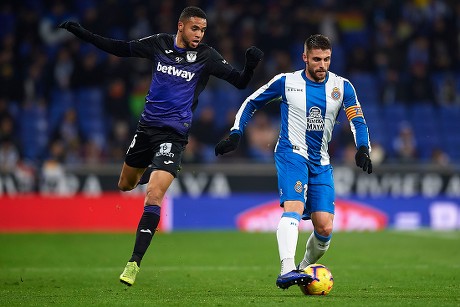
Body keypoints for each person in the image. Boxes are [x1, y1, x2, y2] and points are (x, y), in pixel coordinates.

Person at [58, 6, 263, 286]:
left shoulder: (206, 56)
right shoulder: (159, 44)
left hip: (175, 135)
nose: (199, 35)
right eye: (195, 29)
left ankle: (133, 263)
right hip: (146, 130)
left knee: (153, 195)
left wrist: (250, 66)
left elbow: (239, 82)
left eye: (203, 30)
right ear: (181, 26)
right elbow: (120, 48)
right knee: (125, 185)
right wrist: (83, 34)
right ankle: (148, 169)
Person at [215, 34, 372, 289]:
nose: (322, 65)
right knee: (294, 208)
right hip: (291, 153)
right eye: (317, 59)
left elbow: (358, 120)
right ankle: (286, 268)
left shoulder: (343, 86)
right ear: (305, 58)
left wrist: (364, 148)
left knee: (324, 228)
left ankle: (301, 269)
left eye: (327, 59)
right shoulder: (286, 82)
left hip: (321, 161)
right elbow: (251, 102)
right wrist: (236, 132)